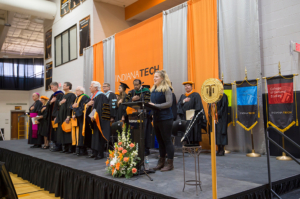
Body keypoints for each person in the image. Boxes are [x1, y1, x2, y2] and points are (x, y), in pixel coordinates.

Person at [149, 70, 174, 172]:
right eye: (154, 76)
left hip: (166, 118)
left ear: (162, 78)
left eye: (157, 77)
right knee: (160, 141)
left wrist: (156, 106)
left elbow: (169, 103)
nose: (154, 78)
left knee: (167, 140)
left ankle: (170, 164)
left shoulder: (166, 89)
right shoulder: (153, 89)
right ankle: (161, 162)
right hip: (156, 118)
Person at [125, 79, 152, 156]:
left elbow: (147, 101)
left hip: (143, 115)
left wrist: (139, 100)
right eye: (134, 85)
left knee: (144, 132)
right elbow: (126, 101)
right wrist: (132, 99)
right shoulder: (131, 92)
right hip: (133, 116)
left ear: (141, 84)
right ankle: (136, 148)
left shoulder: (146, 91)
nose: (136, 86)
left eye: (137, 85)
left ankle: (145, 149)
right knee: (134, 132)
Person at [85, 81, 111, 160]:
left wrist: (93, 115)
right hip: (94, 119)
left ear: (96, 88)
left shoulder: (101, 96)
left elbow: (99, 108)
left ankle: (100, 153)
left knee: (99, 136)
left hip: (100, 119)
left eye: (91, 86)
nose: (89, 87)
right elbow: (93, 107)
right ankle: (94, 152)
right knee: (94, 135)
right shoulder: (93, 96)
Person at [55, 82, 76, 154]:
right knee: (63, 132)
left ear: (68, 86)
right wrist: (60, 102)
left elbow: (70, 106)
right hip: (61, 115)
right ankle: (66, 148)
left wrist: (68, 116)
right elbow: (59, 104)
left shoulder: (72, 95)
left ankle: (70, 148)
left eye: (64, 85)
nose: (62, 86)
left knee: (68, 132)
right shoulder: (64, 95)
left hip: (66, 115)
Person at [71, 86, 90, 156]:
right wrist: (73, 108)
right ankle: (78, 149)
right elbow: (72, 106)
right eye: (76, 90)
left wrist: (75, 114)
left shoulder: (84, 97)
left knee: (81, 134)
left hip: (82, 118)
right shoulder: (77, 98)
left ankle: (82, 150)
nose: (76, 92)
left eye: (77, 90)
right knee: (78, 133)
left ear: (82, 91)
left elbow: (83, 108)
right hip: (78, 118)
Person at [47, 82, 64, 152]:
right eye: (50, 87)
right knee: (53, 131)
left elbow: (60, 106)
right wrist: (51, 102)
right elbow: (48, 105)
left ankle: (59, 145)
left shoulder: (60, 95)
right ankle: (55, 144)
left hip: (56, 116)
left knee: (57, 131)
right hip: (52, 115)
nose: (51, 89)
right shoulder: (53, 95)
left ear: (56, 86)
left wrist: (57, 115)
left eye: (52, 87)